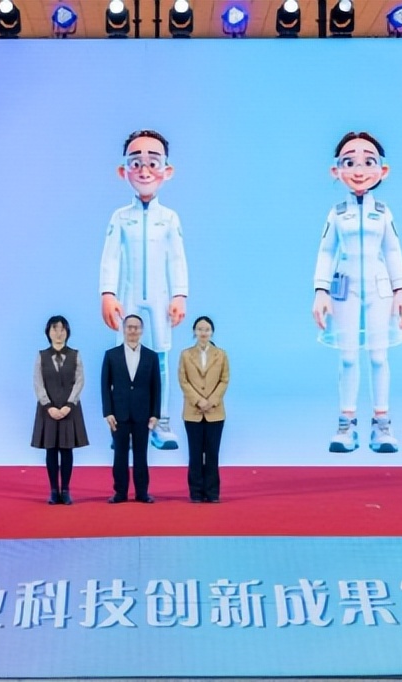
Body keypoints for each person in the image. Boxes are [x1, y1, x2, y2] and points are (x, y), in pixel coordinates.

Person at [312, 131, 402, 454]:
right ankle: (346, 424)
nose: (359, 170)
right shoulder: (337, 213)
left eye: (368, 162)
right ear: (336, 170)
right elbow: (326, 251)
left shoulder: (382, 212)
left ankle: (382, 424)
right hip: (345, 288)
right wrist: (320, 290)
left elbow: (393, 250)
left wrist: (401, 290)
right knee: (348, 356)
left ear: (383, 170)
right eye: (349, 162)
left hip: (379, 289)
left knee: (379, 355)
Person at [99, 129, 188, 451]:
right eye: (136, 163)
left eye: (154, 162)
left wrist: (179, 295)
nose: (145, 170)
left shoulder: (169, 218)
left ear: (167, 170)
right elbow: (110, 258)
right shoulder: (121, 218)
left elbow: (177, 258)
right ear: (123, 171)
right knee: (125, 361)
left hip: (160, 299)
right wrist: (108, 294)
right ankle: (123, 423)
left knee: (160, 359)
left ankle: (160, 421)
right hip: (129, 297)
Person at [101, 314, 161, 504]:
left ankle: (142, 493)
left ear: (142, 330)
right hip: (119, 414)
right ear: (124, 329)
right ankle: (120, 492)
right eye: (129, 327)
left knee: (141, 455)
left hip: (143, 414)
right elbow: (105, 386)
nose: (133, 331)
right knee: (120, 455)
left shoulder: (151, 356)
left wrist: (155, 414)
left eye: (136, 327)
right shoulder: (111, 355)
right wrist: (108, 412)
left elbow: (156, 387)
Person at [31, 315, 89, 505]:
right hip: (47, 411)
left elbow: (79, 381)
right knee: (51, 450)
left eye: (62, 329)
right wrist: (48, 406)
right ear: (48, 332)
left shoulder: (75, 355)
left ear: (67, 332)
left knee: (66, 450)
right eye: (54, 329)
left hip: (69, 410)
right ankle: (53, 491)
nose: (58, 333)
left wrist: (69, 405)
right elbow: (38, 383)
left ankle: (66, 490)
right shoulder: (42, 356)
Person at [177, 316, 229, 503]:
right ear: (194, 332)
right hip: (193, 412)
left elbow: (224, 380)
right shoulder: (185, 354)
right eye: (200, 329)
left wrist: (211, 401)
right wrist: (198, 400)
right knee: (195, 453)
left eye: (207, 329)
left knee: (212, 453)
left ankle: (212, 493)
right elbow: (183, 381)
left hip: (215, 412)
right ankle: (196, 492)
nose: (203, 333)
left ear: (212, 332)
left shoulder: (221, 354)